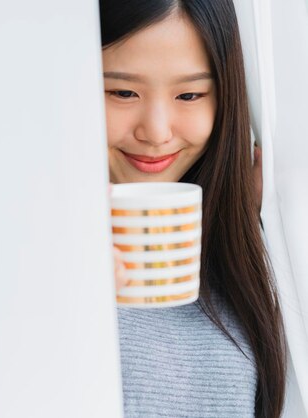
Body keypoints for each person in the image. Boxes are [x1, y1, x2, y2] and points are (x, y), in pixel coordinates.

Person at [101, 0, 286, 417]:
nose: (156, 132)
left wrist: (266, 221)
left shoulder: (244, 249)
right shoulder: (20, 258)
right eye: (122, 92)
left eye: (190, 94)